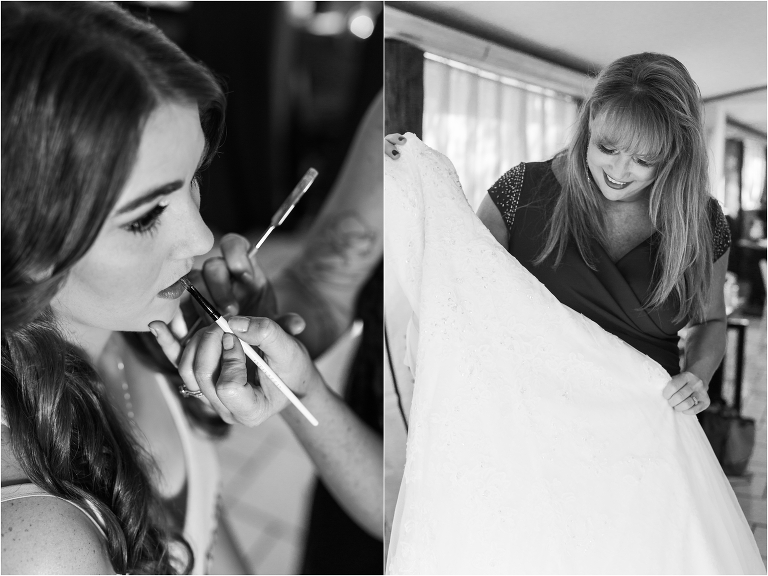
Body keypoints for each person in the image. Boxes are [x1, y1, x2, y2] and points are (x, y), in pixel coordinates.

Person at [1, 3, 381, 574]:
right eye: (145, 217)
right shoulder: (44, 545)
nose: (202, 238)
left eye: (195, 179)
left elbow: (200, 535)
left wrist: (301, 388)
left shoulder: (151, 330)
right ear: (23, 241)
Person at [383, 53, 764, 572]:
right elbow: (459, 287)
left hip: (643, 443)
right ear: (589, 124)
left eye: (644, 159)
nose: (619, 170)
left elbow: (711, 322)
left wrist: (698, 374)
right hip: (528, 437)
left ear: (676, 155)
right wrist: (416, 182)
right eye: (606, 146)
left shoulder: (702, 223)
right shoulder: (523, 192)